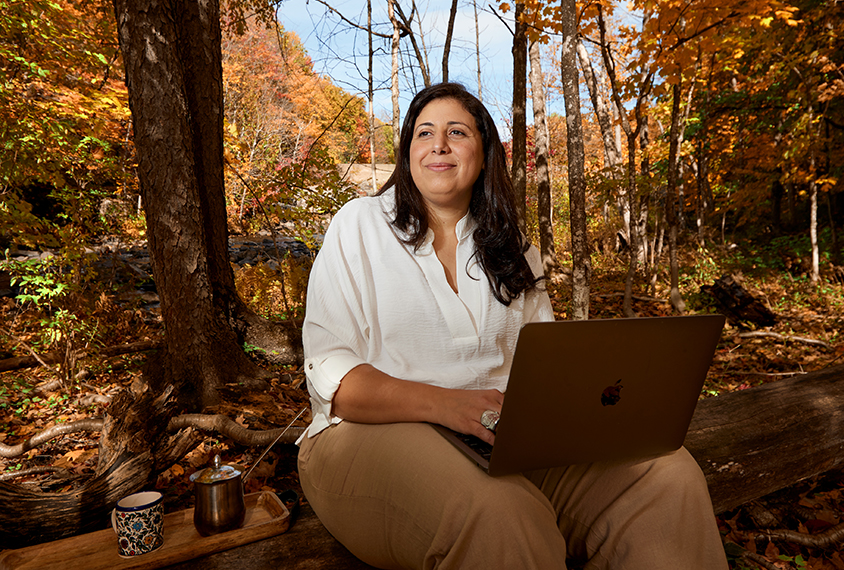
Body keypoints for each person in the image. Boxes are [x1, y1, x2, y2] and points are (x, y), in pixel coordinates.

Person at [297, 82, 728, 570]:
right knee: (499, 511)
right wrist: (451, 406)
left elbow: (544, 366)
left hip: (503, 442)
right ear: (407, 152)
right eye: (424, 133)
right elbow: (334, 381)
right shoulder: (361, 224)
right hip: (367, 434)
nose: (438, 144)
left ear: (483, 157)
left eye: (456, 132)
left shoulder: (511, 245)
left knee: (668, 476)